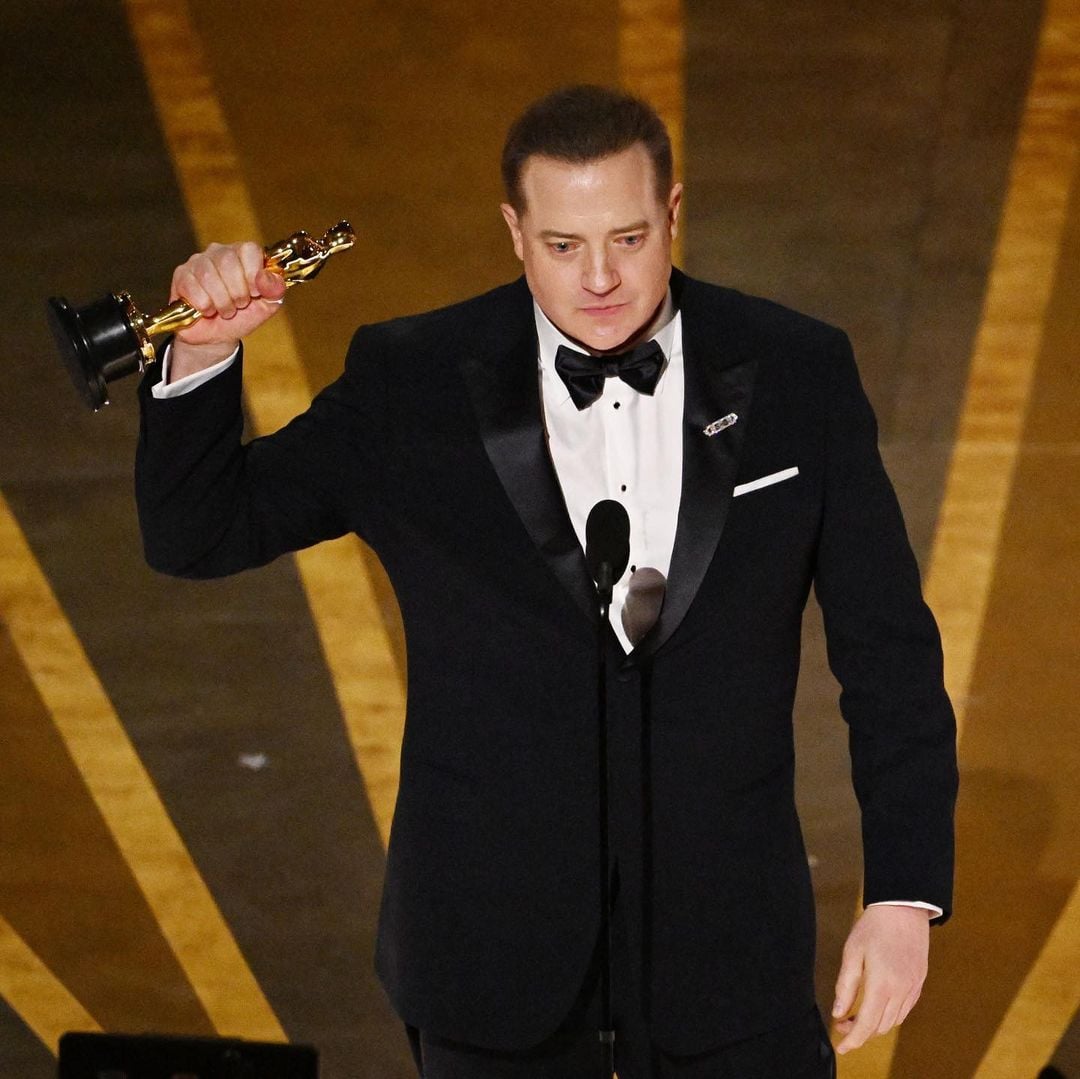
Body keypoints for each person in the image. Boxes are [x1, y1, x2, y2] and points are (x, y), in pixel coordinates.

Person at [135, 85, 958, 1078]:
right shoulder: (413, 382)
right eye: (564, 245)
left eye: (629, 236)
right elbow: (199, 531)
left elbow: (891, 660)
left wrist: (903, 895)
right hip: (489, 963)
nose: (602, 278)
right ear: (514, 232)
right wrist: (200, 351)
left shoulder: (797, 371)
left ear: (675, 213)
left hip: (732, 961)